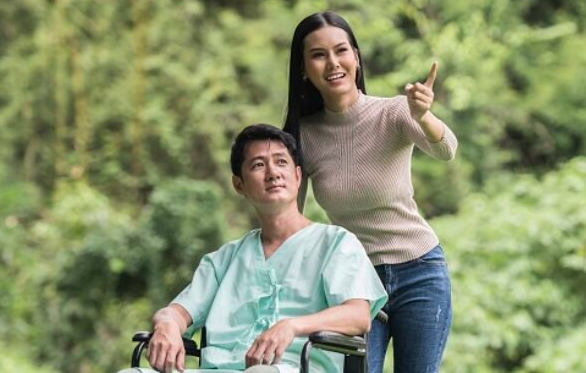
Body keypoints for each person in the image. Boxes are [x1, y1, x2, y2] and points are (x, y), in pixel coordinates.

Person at [120, 124, 388, 373]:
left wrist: (292, 326)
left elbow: (358, 315)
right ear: (239, 185)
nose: (273, 173)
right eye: (258, 165)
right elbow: (176, 312)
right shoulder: (223, 260)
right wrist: (167, 324)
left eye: (281, 162)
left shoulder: (336, 244)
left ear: (297, 176)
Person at [282, 11, 458, 373]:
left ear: (356, 58)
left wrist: (424, 115)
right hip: (354, 285)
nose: (333, 63)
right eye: (318, 55)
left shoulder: (395, 112)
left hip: (420, 272)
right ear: (303, 69)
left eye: (341, 50)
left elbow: (447, 150)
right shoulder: (303, 135)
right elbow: (289, 221)